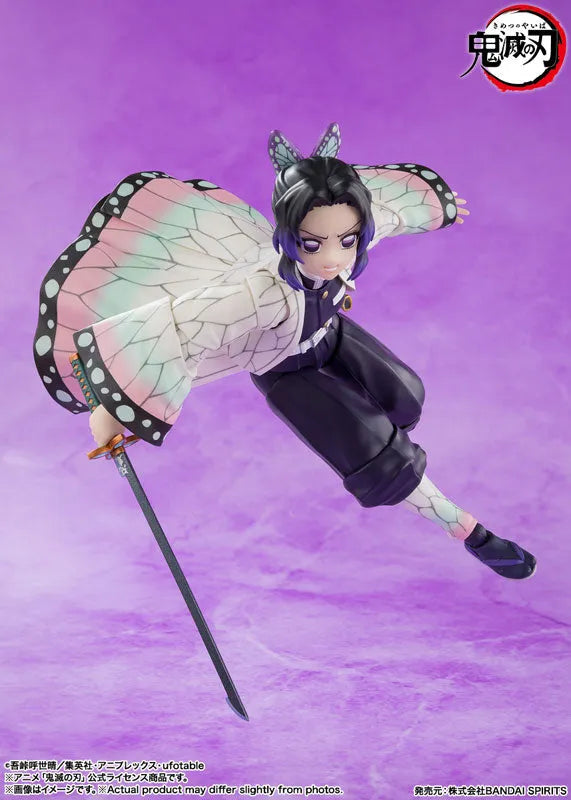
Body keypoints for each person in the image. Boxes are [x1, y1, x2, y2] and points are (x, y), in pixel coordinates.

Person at [33, 123, 536, 579]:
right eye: (313, 244)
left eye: (347, 241)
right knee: (384, 461)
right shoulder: (258, 294)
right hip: (288, 371)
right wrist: (113, 403)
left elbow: (385, 213)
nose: (333, 257)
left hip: (330, 334)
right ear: (290, 233)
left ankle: (387, 444)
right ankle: (469, 531)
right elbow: (177, 328)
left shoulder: (352, 239)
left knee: (406, 397)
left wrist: (434, 209)